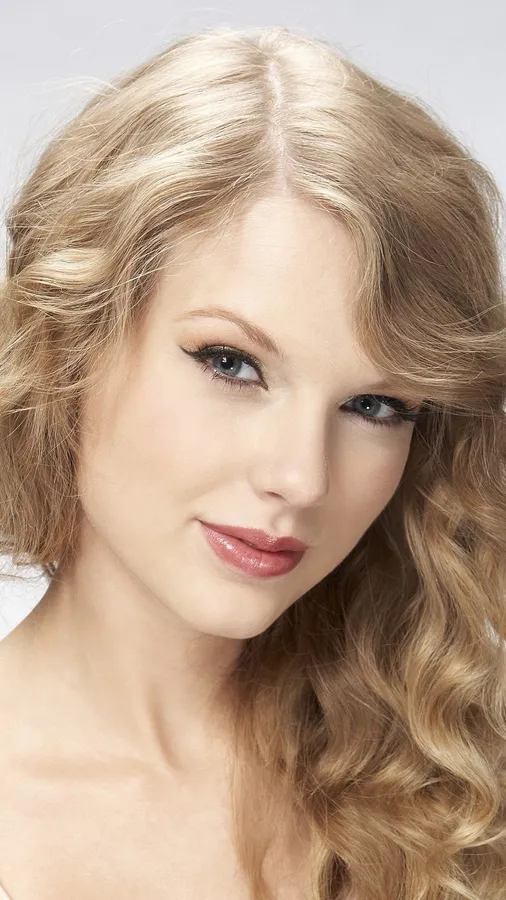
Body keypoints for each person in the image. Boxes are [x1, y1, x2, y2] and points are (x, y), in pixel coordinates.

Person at [0, 24, 505, 900]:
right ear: (68, 341)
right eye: (232, 364)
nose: (301, 478)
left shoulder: (457, 780)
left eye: (375, 406)